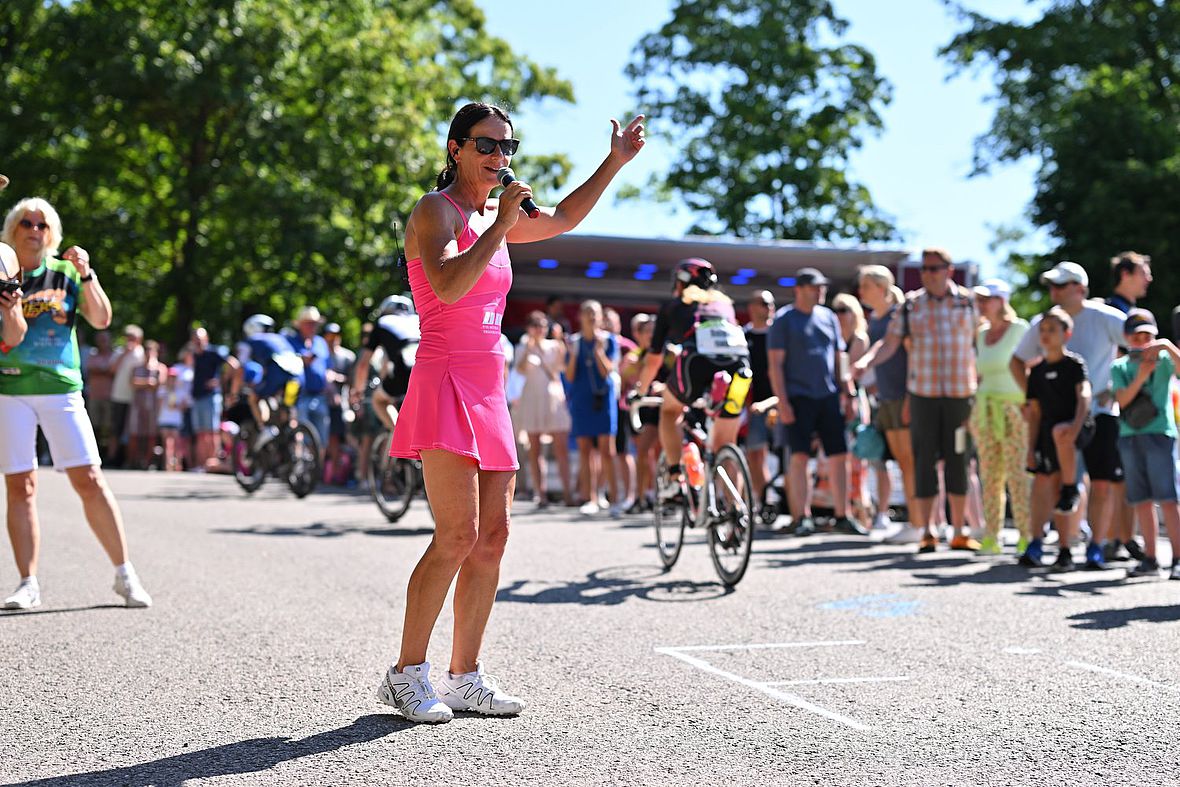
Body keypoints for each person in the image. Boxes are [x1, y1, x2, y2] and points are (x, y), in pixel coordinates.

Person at [378, 101, 645, 723]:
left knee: (493, 539)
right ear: (456, 150)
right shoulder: (434, 212)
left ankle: (464, 676)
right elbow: (445, 287)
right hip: (445, 375)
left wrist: (613, 162)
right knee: (457, 536)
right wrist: (498, 227)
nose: (499, 158)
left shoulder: (493, 214)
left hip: (488, 385)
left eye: (507, 147)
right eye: (486, 146)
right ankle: (404, 674)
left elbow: (563, 218)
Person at [0, 197, 151, 609]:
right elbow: (9, 336)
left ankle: (124, 573)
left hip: (61, 387)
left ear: (52, 234)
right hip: (10, 390)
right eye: (26, 223)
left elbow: (101, 319)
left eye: (42, 224)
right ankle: (27, 583)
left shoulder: (66, 272)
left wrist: (88, 275)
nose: (34, 230)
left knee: (88, 478)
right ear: (12, 231)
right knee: (21, 486)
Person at [855, 249, 979, 553]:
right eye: (924, 269)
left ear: (949, 270)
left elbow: (982, 341)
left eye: (935, 268)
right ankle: (927, 531)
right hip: (923, 394)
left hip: (961, 397)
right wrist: (867, 361)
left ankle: (960, 531)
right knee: (923, 462)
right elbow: (890, 342)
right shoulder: (912, 304)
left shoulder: (969, 301)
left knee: (958, 461)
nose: (928, 274)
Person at [1009, 261, 1127, 569]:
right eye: (1051, 286)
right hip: (1056, 420)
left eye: (1060, 285)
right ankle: (1045, 545)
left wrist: (1117, 389)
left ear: (1080, 288)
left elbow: (1141, 346)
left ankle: (1096, 548)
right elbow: (1017, 361)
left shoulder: (1107, 318)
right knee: (1050, 480)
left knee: (1100, 483)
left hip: (1100, 415)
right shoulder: (1043, 323)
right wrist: (1035, 399)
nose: (1053, 292)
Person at [634, 258, 752, 507]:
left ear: (680, 282)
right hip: (740, 366)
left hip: (696, 363)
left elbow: (654, 360)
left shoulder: (675, 306)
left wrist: (640, 391)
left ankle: (676, 474)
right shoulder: (725, 305)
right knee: (726, 445)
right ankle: (737, 511)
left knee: (669, 411)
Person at [768, 267, 864, 536]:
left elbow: (838, 358)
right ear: (799, 289)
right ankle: (801, 517)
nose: (821, 291)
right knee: (798, 457)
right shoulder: (784, 320)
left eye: (822, 287)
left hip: (828, 395)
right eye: (815, 287)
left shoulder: (829, 317)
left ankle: (843, 515)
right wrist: (782, 402)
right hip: (797, 397)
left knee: (839, 455)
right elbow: (775, 365)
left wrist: (849, 393)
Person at [1022, 307, 1093, 572]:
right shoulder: (1037, 372)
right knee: (1044, 484)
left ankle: (1070, 489)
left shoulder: (1074, 365)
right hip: (1048, 433)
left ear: (1067, 334)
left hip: (1073, 429)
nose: (1046, 335)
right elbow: (1034, 413)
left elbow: (1084, 396)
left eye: (1052, 330)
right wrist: (1030, 449)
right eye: (1043, 330)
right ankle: (1042, 543)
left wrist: (1075, 426)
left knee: (1060, 436)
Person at [1111, 309, 1180, 579]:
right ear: (1128, 338)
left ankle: (1177, 557)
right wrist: (1141, 374)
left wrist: (1165, 346)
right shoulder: (1120, 366)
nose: (1142, 341)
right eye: (1137, 336)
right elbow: (1123, 400)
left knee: (1168, 498)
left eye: (1147, 336)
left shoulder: (1164, 359)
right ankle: (1150, 559)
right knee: (1141, 499)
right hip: (1129, 436)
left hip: (1159, 433)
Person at [969, 279, 1032, 555]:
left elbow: (1030, 366)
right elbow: (980, 373)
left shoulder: (1020, 329)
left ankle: (1026, 536)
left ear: (1002, 301)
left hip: (1014, 408)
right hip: (985, 409)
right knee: (990, 474)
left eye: (987, 299)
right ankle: (991, 536)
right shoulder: (981, 333)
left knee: (1018, 474)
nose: (982, 304)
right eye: (980, 299)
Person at [857, 267, 917, 543]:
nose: (861, 291)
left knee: (910, 461)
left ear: (882, 287)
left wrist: (909, 393)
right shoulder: (875, 318)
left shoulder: (898, 314)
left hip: (904, 396)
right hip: (886, 397)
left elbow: (905, 352)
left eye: (866, 286)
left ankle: (919, 523)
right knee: (902, 461)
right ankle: (918, 522)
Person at [1103, 251, 1152, 564]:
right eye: (1144, 272)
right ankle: (1112, 538)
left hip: (1131, 407)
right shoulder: (1113, 313)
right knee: (1114, 476)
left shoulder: (1130, 312)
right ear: (1126, 274)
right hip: (1114, 406)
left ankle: (1120, 537)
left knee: (1123, 476)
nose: (1149, 278)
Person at [566, 299, 620, 516]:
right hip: (581, 398)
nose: (591, 317)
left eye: (595, 313)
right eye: (587, 312)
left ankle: (613, 497)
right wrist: (573, 354)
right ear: (580, 316)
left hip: (603, 398)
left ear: (600, 317)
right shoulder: (574, 342)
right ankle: (591, 497)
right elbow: (569, 376)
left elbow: (608, 371)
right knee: (585, 450)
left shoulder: (609, 341)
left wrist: (598, 351)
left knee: (608, 450)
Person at [514, 311, 573, 508]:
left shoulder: (554, 346)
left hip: (553, 398)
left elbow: (562, 367)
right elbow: (520, 369)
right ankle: (541, 494)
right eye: (535, 325)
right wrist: (530, 348)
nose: (540, 329)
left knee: (561, 447)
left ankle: (568, 493)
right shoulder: (523, 347)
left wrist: (561, 342)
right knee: (535, 449)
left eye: (542, 325)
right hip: (532, 398)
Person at [832, 292, 873, 528]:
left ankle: (863, 514)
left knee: (857, 461)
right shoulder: (835, 337)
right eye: (836, 310)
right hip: (837, 399)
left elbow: (849, 375)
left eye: (844, 310)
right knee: (840, 459)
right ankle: (845, 510)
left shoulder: (859, 339)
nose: (839, 315)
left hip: (853, 400)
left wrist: (848, 399)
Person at [350, 295, 420, 433]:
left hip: (405, 369)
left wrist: (358, 391)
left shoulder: (383, 322)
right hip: (431, 368)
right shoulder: (418, 320)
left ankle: (402, 437)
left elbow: (363, 364)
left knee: (379, 401)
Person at [620, 313, 660, 512]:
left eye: (655, 331)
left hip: (663, 409)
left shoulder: (668, 354)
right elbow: (626, 379)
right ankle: (643, 495)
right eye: (647, 332)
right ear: (640, 335)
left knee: (657, 452)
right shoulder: (634, 357)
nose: (652, 336)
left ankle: (655, 494)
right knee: (644, 452)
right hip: (641, 409)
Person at [743, 290, 776, 507]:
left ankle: (773, 501)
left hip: (777, 402)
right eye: (763, 303)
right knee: (754, 455)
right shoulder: (743, 336)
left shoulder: (777, 333)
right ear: (752, 307)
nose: (768, 308)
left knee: (781, 458)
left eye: (770, 304)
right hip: (751, 405)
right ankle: (760, 500)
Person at [189, 327, 235, 470]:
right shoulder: (194, 355)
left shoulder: (213, 352)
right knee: (200, 433)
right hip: (197, 397)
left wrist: (221, 381)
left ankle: (212, 463)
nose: (198, 342)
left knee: (212, 432)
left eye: (200, 339)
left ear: (206, 339)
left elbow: (233, 365)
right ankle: (201, 465)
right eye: (195, 339)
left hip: (210, 397)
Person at [289, 306, 331, 448]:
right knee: (300, 434)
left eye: (314, 323)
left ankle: (318, 469)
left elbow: (326, 368)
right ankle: (299, 466)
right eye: (308, 323)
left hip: (320, 396)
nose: (312, 326)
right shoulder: (290, 342)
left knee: (321, 438)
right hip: (299, 395)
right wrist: (302, 361)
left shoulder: (321, 343)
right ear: (300, 325)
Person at [322, 322, 356, 485]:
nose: (332, 340)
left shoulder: (347, 357)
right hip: (322, 401)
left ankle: (336, 472)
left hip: (339, 404)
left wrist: (336, 378)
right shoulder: (319, 355)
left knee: (337, 438)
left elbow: (352, 380)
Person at [108, 325, 144, 466]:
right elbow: (111, 370)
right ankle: (112, 458)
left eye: (133, 338)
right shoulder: (119, 352)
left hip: (136, 397)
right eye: (128, 338)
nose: (130, 341)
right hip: (118, 396)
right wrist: (124, 354)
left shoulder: (142, 353)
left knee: (132, 430)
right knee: (115, 429)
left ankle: (129, 459)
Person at [128, 339, 164, 469]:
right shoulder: (136, 368)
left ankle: (148, 462)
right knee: (135, 433)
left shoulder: (160, 368)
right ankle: (133, 461)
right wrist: (147, 383)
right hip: (137, 406)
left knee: (151, 435)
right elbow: (132, 383)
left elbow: (158, 384)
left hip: (153, 407)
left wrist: (142, 383)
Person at [83, 330, 117, 461]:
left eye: (105, 340)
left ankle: (107, 456)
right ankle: (93, 454)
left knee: (108, 427)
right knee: (94, 425)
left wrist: (102, 371)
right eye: (100, 340)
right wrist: (105, 371)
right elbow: (91, 370)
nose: (102, 343)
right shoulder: (93, 355)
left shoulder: (113, 356)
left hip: (109, 396)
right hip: (94, 396)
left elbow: (112, 371)